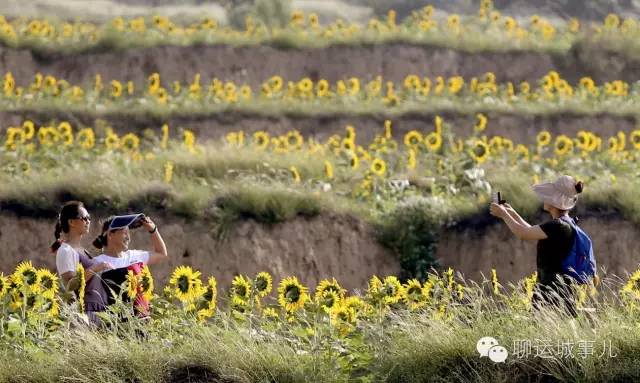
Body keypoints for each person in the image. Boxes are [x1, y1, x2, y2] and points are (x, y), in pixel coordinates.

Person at [489, 175, 590, 317]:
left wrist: (504, 215)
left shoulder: (557, 226)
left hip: (552, 292)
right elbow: (530, 230)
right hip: (558, 290)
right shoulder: (563, 224)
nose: (544, 198)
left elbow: (523, 233)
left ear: (555, 200)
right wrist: (512, 213)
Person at [90, 214, 168, 317]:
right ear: (110, 234)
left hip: (142, 323)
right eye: (124, 233)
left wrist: (153, 230)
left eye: (129, 233)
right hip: (116, 325)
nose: (128, 238)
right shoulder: (97, 262)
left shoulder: (134, 256)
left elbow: (161, 253)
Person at [52, 201, 112, 302]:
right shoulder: (65, 251)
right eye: (84, 218)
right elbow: (70, 286)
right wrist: (96, 268)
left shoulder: (82, 250)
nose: (88, 221)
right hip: (84, 311)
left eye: (89, 218)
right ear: (71, 222)